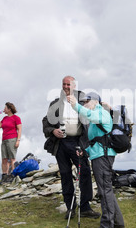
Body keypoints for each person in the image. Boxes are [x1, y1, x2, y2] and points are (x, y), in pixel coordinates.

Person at [42, 76, 100, 220]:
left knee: (85, 172)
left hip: (78, 142)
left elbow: (94, 112)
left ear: (74, 86)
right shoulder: (55, 103)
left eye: (69, 84)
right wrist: (52, 131)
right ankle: (70, 207)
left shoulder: (83, 100)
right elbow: (46, 121)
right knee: (65, 174)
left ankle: (85, 207)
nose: (66, 86)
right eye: (64, 84)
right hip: (60, 144)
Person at [68, 92, 125, 228]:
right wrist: (85, 151)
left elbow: (88, 115)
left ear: (95, 101)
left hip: (103, 157)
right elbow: (97, 140)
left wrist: (75, 105)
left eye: (86, 101)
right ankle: (118, 223)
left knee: (104, 191)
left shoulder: (101, 113)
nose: (84, 104)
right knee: (107, 190)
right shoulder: (97, 116)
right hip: (100, 155)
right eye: (82, 102)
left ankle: (107, 227)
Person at [0, 102, 22, 183]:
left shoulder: (16, 118)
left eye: (5, 108)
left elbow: (19, 129)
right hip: (4, 140)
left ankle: (13, 176)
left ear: (9, 109)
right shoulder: (5, 118)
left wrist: (18, 140)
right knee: (4, 159)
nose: (3, 110)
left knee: (12, 158)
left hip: (12, 139)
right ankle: (4, 177)